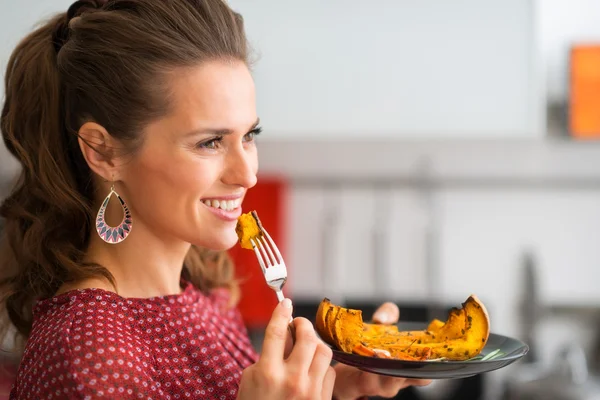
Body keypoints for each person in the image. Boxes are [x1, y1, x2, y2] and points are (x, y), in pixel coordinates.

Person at [0, 0, 430, 398]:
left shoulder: (206, 302)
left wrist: (335, 383)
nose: (247, 174)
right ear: (103, 152)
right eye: (209, 142)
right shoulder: (93, 358)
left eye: (250, 136)